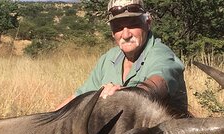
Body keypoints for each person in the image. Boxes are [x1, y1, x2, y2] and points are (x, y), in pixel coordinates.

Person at [56, 0, 188, 114]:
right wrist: (47, 120)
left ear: (148, 23)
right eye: (118, 27)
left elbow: (158, 84)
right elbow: (79, 97)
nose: (125, 35)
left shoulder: (161, 54)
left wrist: (126, 94)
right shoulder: (108, 58)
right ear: (112, 32)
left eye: (132, 24)